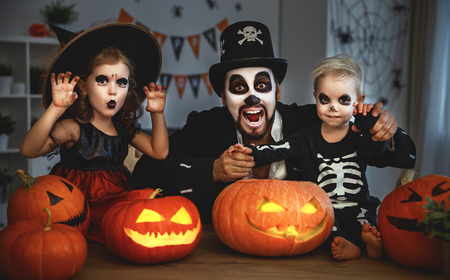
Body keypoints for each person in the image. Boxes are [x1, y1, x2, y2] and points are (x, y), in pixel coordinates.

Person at [133, 21, 416, 224]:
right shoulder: (203, 128)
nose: (253, 97)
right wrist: (213, 171)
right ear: (223, 97)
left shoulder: (313, 122)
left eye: (262, 85)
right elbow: (144, 175)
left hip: (309, 251)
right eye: (239, 87)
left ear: (277, 92)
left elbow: (404, 155)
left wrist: (386, 133)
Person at [229, 54, 403, 260]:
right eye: (325, 99)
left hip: (359, 205)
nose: (333, 106)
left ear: (359, 101)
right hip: (325, 208)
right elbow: (278, 148)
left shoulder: (360, 135)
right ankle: (352, 247)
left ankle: (370, 244)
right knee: (322, 229)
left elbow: (378, 148)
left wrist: (370, 123)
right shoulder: (305, 138)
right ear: (315, 98)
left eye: (344, 100)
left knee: (367, 222)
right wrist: (250, 152)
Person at [19, 23, 168, 243]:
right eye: (102, 80)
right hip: (78, 207)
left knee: (152, 198)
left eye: (121, 82)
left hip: (116, 201)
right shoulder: (73, 128)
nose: (113, 90)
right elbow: (28, 150)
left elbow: (159, 151)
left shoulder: (122, 127)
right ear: (84, 87)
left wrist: (157, 114)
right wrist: (56, 108)